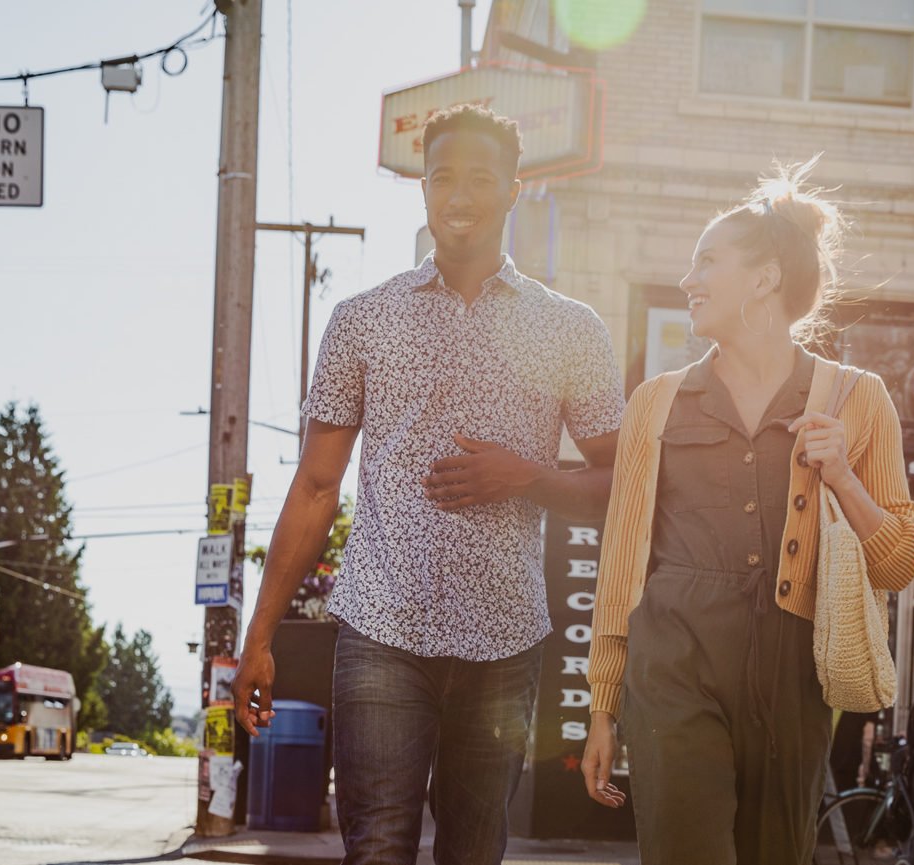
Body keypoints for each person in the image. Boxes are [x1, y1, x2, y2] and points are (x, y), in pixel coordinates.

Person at [231, 105, 626, 865]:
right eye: (443, 175)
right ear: (422, 188)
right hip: (381, 631)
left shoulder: (572, 328)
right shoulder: (363, 320)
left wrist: (529, 477)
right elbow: (316, 486)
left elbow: (621, 483)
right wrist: (259, 636)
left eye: (481, 177)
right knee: (377, 848)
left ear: (516, 189)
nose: (459, 194)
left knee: (474, 853)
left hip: (506, 639)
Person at [578, 161, 914, 865]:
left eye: (706, 261)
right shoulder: (658, 400)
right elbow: (623, 563)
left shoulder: (856, 397)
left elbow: (901, 560)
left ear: (765, 278)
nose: (688, 281)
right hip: (673, 658)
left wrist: (844, 481)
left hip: (792, 672)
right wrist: (602, 706)